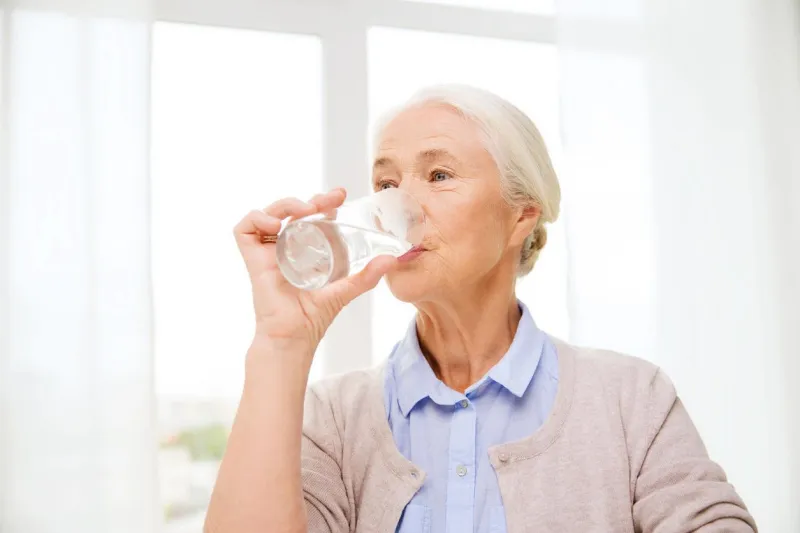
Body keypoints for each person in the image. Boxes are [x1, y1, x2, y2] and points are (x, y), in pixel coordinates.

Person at [205, 85, 756, 533]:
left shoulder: (630, 398)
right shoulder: (333, 417)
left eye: (439, 175)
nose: (398, 208)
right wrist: (281, 343)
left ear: (521, 216)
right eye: (386, 183)